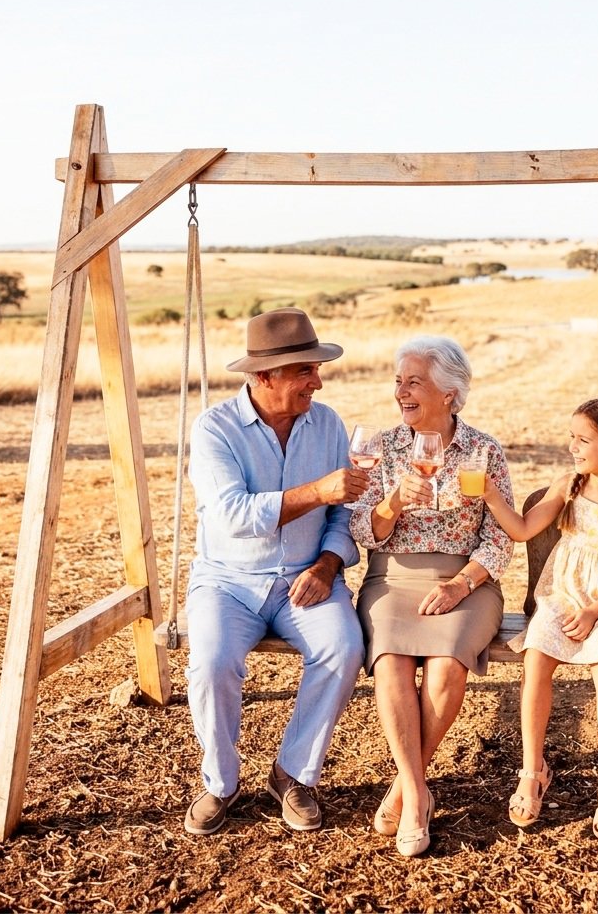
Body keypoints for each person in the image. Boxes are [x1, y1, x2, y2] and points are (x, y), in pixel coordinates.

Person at [183, 308, 368, 837]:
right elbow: (233, 517)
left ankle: (292, 774)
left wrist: (329, 565)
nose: (318, 379)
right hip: (227, 582)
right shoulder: (215, 429)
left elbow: (343, 514)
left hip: (305, 578)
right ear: (265, 377)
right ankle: (220, 783)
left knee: (344, 647)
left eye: (315, 368)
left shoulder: (327, 422)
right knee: (212, 662)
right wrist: (318, 490)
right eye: (305, 370)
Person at [349, 335, 514, 857]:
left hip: (468, 582)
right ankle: (419, 792)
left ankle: (404, 787)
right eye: (399, 381)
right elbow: (362, 529)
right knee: (392, 659)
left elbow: (501, 536)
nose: (402, 391)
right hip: (391, 578)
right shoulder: (384, 446)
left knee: (446, 665)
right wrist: (394, 501)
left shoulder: (485, 451)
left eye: (414, 381)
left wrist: (461, 583)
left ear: (450, 393)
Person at [481, 396, 598, 839]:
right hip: (565, 595)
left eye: (583, 440)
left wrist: (597, 610)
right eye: (571, 438)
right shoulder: (569, 484)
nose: (572, 447)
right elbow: (522, 529)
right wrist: (489, 495)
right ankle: (531, 769)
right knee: (537, 655)